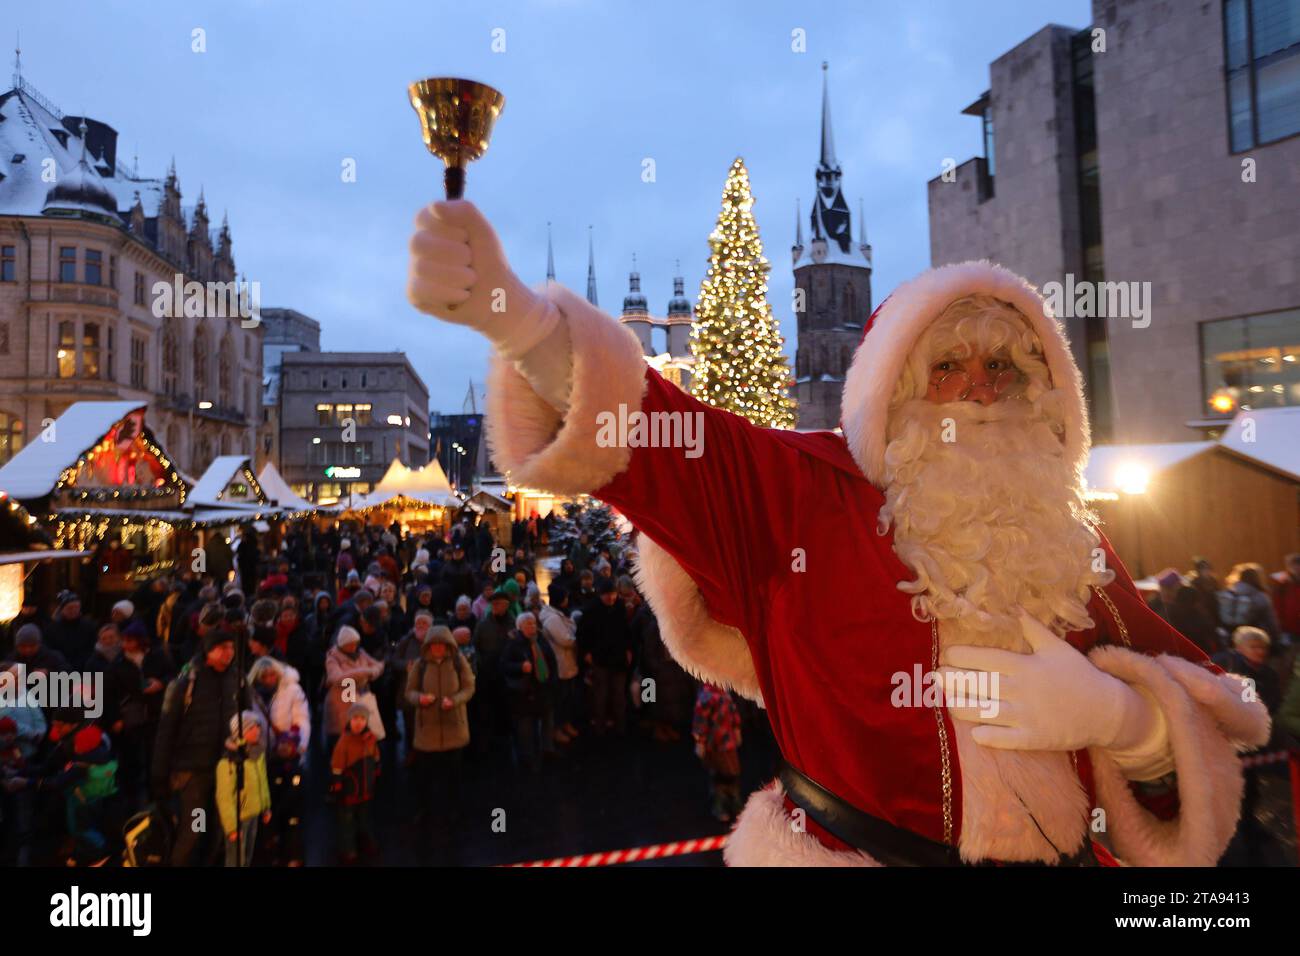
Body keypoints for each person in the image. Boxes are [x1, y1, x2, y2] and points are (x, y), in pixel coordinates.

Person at [410, 201, 1270, 866]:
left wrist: (1124, 721)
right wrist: (522, 321)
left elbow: (1207, 718)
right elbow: (668, 442)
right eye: (948, 366)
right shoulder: (808, 496)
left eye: (1001, 367)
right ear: (897, 387)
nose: (977, 390)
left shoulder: (1067, 539)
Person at [152, 628, 242, 866]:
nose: (229, 653)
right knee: (195, 826)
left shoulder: (237, 680)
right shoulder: (186, 683)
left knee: (220, 827)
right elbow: (166, 731)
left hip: (226, 768)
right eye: (223, 648)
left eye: (231, 648)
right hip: (193, 771)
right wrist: (159, 774)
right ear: (208, 651)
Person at [404, 625, 474, 842]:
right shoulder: (420, 664)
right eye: (433, 645)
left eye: (440, 645)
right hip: (428, 730)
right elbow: (409, 692)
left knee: (454, 775)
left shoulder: (458, 661)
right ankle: (425, 809)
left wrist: (455, 700)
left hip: (454, 727)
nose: (437, 649)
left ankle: (454, 811)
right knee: (425, 776)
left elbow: (469, 687)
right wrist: (420, 699)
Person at [248, 657, 310, 865]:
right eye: (264, 676)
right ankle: (271, 846)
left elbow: (302, 719)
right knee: (268, 806)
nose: (269, 679)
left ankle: (293, 852)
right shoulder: (250, 695)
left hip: (288, 758)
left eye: (272, 674)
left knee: (291, 805)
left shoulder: (292, 691)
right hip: (262, 759)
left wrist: (298, 745)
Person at [577, 576, 634, 737]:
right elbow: (582, 635)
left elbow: (625, 630)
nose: (611, 597)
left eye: (613, 594)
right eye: (607, 594)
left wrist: (628, 649)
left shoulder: (620, 606)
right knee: (600, 695)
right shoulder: (591, 610)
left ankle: (620, 727)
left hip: (618, 658)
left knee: (619, 695)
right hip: (599, 658)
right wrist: (586, 653)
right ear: (600, 595)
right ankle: (599, 728)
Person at [501, 612, 558, 772]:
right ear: (519, 627)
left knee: (548, 722)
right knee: (526, 728)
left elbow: (552, 661)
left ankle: (548, 750)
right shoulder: (513, 644)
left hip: (543, 690)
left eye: (533, 623)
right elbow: (504, 665)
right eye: (527, 624)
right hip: (524, 694)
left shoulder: (541, 639)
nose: (532, 626)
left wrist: (553, 681)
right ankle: (528, 757)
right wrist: (520, 667)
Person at [215, 711, 271, 867]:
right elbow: (224, 797)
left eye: (258, 727)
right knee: (235, 860)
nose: (257, 731)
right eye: (252, 728)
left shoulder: (257, 754)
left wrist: (266, 806)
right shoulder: (229, 762)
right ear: (241, 732)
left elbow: (262, 782)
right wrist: (232, 827)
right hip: (239, 818)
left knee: (247, 857)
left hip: (253, 813)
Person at [330, 704, 380, 864]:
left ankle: (364, 842)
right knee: (347, 821)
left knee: (365, 818)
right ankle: (348, 849)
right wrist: (337, 783)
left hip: (366, 788)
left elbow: (376, 756)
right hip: (350, 790)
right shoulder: (344, 741)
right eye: (355, 719)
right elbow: (337, 765)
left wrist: (377, 770)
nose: (358, 723)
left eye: (362, 719)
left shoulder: (370, 739)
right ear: (349, 720)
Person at [323, 627, 385, 754]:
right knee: (342, 733)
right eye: (350, 644)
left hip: (362, 695)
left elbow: (378, 665)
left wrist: (372, 672)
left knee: (363, 730)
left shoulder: (360, 653)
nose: (353, 646)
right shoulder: (333, 657)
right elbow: (336, 678)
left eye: (355, 643)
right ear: (342, 644)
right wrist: (363, 672)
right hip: (342, 698)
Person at [693, 682, 744, 823]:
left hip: (728, 743)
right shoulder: (706, 696)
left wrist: (736, 729)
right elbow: (700, 723)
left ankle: (734, 803)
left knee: (732, 774)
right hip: (715, 745)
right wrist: (700, 742)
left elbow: (733, 713)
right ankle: (720, 806)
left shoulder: (724, 693)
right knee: (719, 776)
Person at [539, 584, 580, 744]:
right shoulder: (553, 618)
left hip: (567, 663)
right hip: (561, 663)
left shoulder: (558, 615)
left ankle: (566, 724)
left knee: (568, 697)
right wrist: (578, 639)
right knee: (561, 699)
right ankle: (557, 729)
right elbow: (565, 640)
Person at [1219, 564, 1281, 643]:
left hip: (1233, 637)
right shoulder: (1260, 596)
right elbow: (1270, 620)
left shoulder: (1228, 593)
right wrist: (1277, 637)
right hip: (1256, 638)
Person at [46, 592, 97, 670]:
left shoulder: (88, 626)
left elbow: (92, 648)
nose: (74, 610)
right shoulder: (52, 628)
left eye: (77, 607)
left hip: (84, 669)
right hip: (60, 671)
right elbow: (50, 650)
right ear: (62, 609)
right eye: (70, 608)